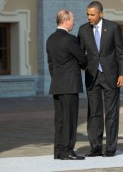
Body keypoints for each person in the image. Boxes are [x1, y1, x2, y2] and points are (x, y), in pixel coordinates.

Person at [77, 1, 123, 157]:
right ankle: (96, 147)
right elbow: (79, 53)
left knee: (111, 113)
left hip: (111, 76)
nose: (89, 17)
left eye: (92, 14)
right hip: (92, 77)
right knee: (94, 113)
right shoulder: (83, 30)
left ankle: (111, 147)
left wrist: (122, 74)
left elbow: (121, 52)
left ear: (101, 14)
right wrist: (84, 66)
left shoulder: (113, 27)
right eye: (87, 14)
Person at [46, 10, 87, 160]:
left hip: (57, 84)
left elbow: (50, 64)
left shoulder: (50, 39)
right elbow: (82, 59)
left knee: (60, 120)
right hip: (70, 85)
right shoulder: (70, 39)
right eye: (72, 20)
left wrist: (57, 78)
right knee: (70, 118)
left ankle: (58, 151)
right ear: (66, 21)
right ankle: (68, 151)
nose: (74, 22)